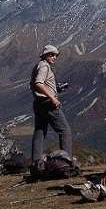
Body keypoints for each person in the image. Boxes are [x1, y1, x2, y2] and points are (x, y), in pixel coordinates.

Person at [29, 45, 72, 179]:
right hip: (48, 104)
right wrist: (52, 97)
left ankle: (36, 165)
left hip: (39, 103)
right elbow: (38, 83)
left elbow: (38, 85)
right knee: (65, 131)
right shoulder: (44, 67)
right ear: (45, 55)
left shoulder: (38, 65)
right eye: (52, 55)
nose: (54, 57)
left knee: (40, 132)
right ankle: (66, 163)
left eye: (56, 55)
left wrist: (56, 89)